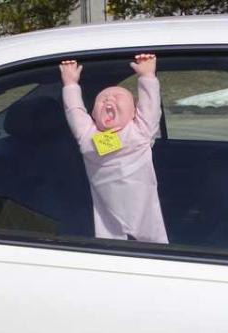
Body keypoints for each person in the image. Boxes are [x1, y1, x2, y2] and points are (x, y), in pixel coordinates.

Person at [59, 54, 168, 244]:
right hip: (108, 216)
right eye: (101, 100)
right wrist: (70, 85)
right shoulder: (88, 137)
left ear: (135, 112)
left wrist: (147, 77)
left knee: (152, 237)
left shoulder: (140, 131)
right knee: (109, 237)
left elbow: (150, 106)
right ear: (92, 114)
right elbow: (75, 111)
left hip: (143, 211)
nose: (108, 100)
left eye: (118, 97)